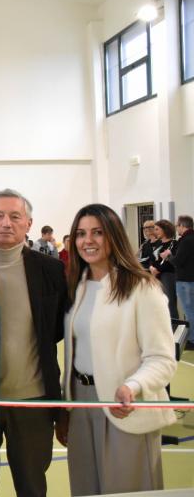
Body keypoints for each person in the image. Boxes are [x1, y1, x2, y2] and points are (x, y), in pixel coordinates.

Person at [62, 203, 177, 495]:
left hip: (125, 405)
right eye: (81, 233)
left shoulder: (142, 287)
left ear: (114, 236)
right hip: (81, 405)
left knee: (127, 490)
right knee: (85, 488)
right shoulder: (78, 286)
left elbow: (162, 359)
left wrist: (132, 386)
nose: (88, 240)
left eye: (97, 232)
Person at [0, 188, 69, 497]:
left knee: (32, 486)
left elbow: (56, 329)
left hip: (33, 401)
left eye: (15, 216)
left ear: (29, 223)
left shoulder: (51, 270)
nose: (6, 223)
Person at [168, 215, 194, 350]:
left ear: (182, 226)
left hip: (185, 281)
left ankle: (192, 340)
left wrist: (168, 256)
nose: (177, 228)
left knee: (189, 311)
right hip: (191, 280)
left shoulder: (186, 240)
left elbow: (178, 261)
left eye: (177, 226)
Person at [149, 219, 177, 320]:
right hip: (156, 275)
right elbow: (152, 259)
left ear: (165, 230)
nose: (155, 232)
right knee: (158, 302)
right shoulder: (158, 244)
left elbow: (171, 262)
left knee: (169, 302)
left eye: (157, 229)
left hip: (168, 275)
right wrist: (151, 267)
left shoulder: (174, 243)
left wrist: (158, 270)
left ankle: (173, 323)